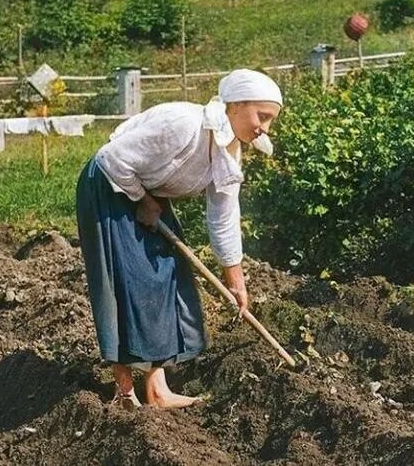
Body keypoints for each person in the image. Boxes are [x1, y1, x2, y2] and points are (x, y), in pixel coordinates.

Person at [75, 69, 283, 409]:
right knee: (127, 281)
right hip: (108, 186)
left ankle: (157, 390)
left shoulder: (229, 151)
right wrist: (143, 201)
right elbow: (114, 159)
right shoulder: (185, 123)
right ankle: (125, 392)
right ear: (237, 104)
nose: (264, 128)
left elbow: (224, 216)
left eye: (270, 121)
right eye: (262, 116)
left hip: (147, 196)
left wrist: (237, 282)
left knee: (166, 276)